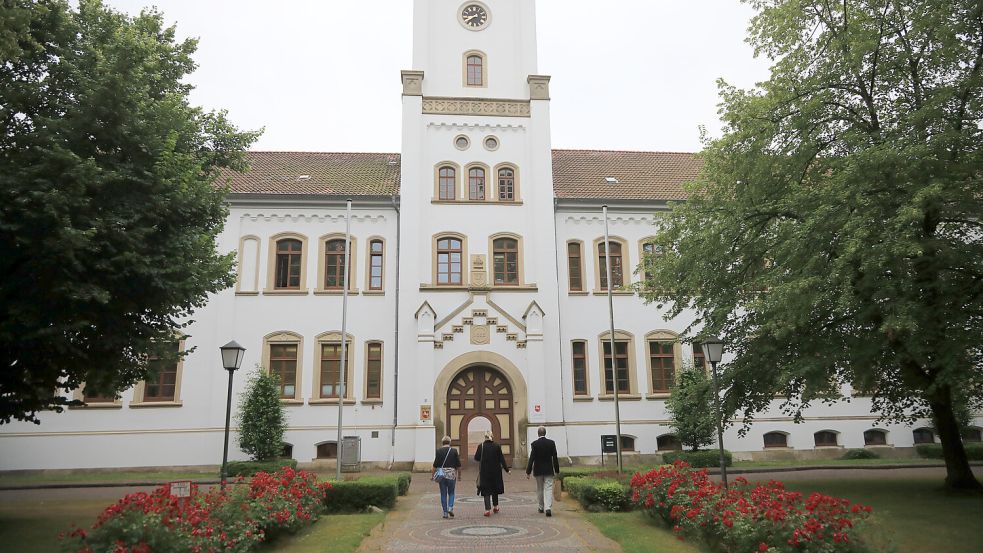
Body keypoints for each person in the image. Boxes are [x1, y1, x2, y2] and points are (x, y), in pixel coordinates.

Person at [526, 426, 560, 517]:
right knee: (548, 488)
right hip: (548, 469)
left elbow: (531, 458)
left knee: (540, 489)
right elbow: (555, 458)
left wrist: (528, 471)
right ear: (545, 433)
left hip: (538, 470)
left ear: (538, 434)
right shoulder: (551, 443)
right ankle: (548, 508)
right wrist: (557, 470)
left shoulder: (534, 444)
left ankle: (541, 507)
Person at [474, 430, 510, 517]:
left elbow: (476, 458)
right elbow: (502, 459)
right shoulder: (497, 446)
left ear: (485, 437)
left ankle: (487, 510)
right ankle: (496, 506)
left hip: (485, 472)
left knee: (486, 490)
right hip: (496, 471)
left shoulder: (481, 446)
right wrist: (507, 470)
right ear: (492, 436)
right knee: (495, 489)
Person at [432, 436, 461, 519]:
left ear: (442, 443)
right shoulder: (454, 451)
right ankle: (450, 507)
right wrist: (459, 476)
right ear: (450, 442)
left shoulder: (439, 451)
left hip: (442, 475)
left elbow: (435, 465)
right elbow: (458, 465)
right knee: (451, 492)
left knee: (443, 494)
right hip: (451, 475)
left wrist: (432, 475)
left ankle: (445, 513)